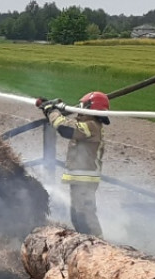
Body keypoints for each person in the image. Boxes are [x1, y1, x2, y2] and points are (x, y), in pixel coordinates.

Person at [35, 91, 109, 237]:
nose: (78, 112)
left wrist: (52, 110)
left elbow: (64, 128)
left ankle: (98, 245)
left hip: (85, 180)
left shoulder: (91, 126)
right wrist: (49, 109)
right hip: (81, 179)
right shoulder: (88, 124)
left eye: (81, 108)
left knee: (85, 217)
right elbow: (62, 123)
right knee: (77, 217)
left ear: (89, 108)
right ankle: (87, 245)